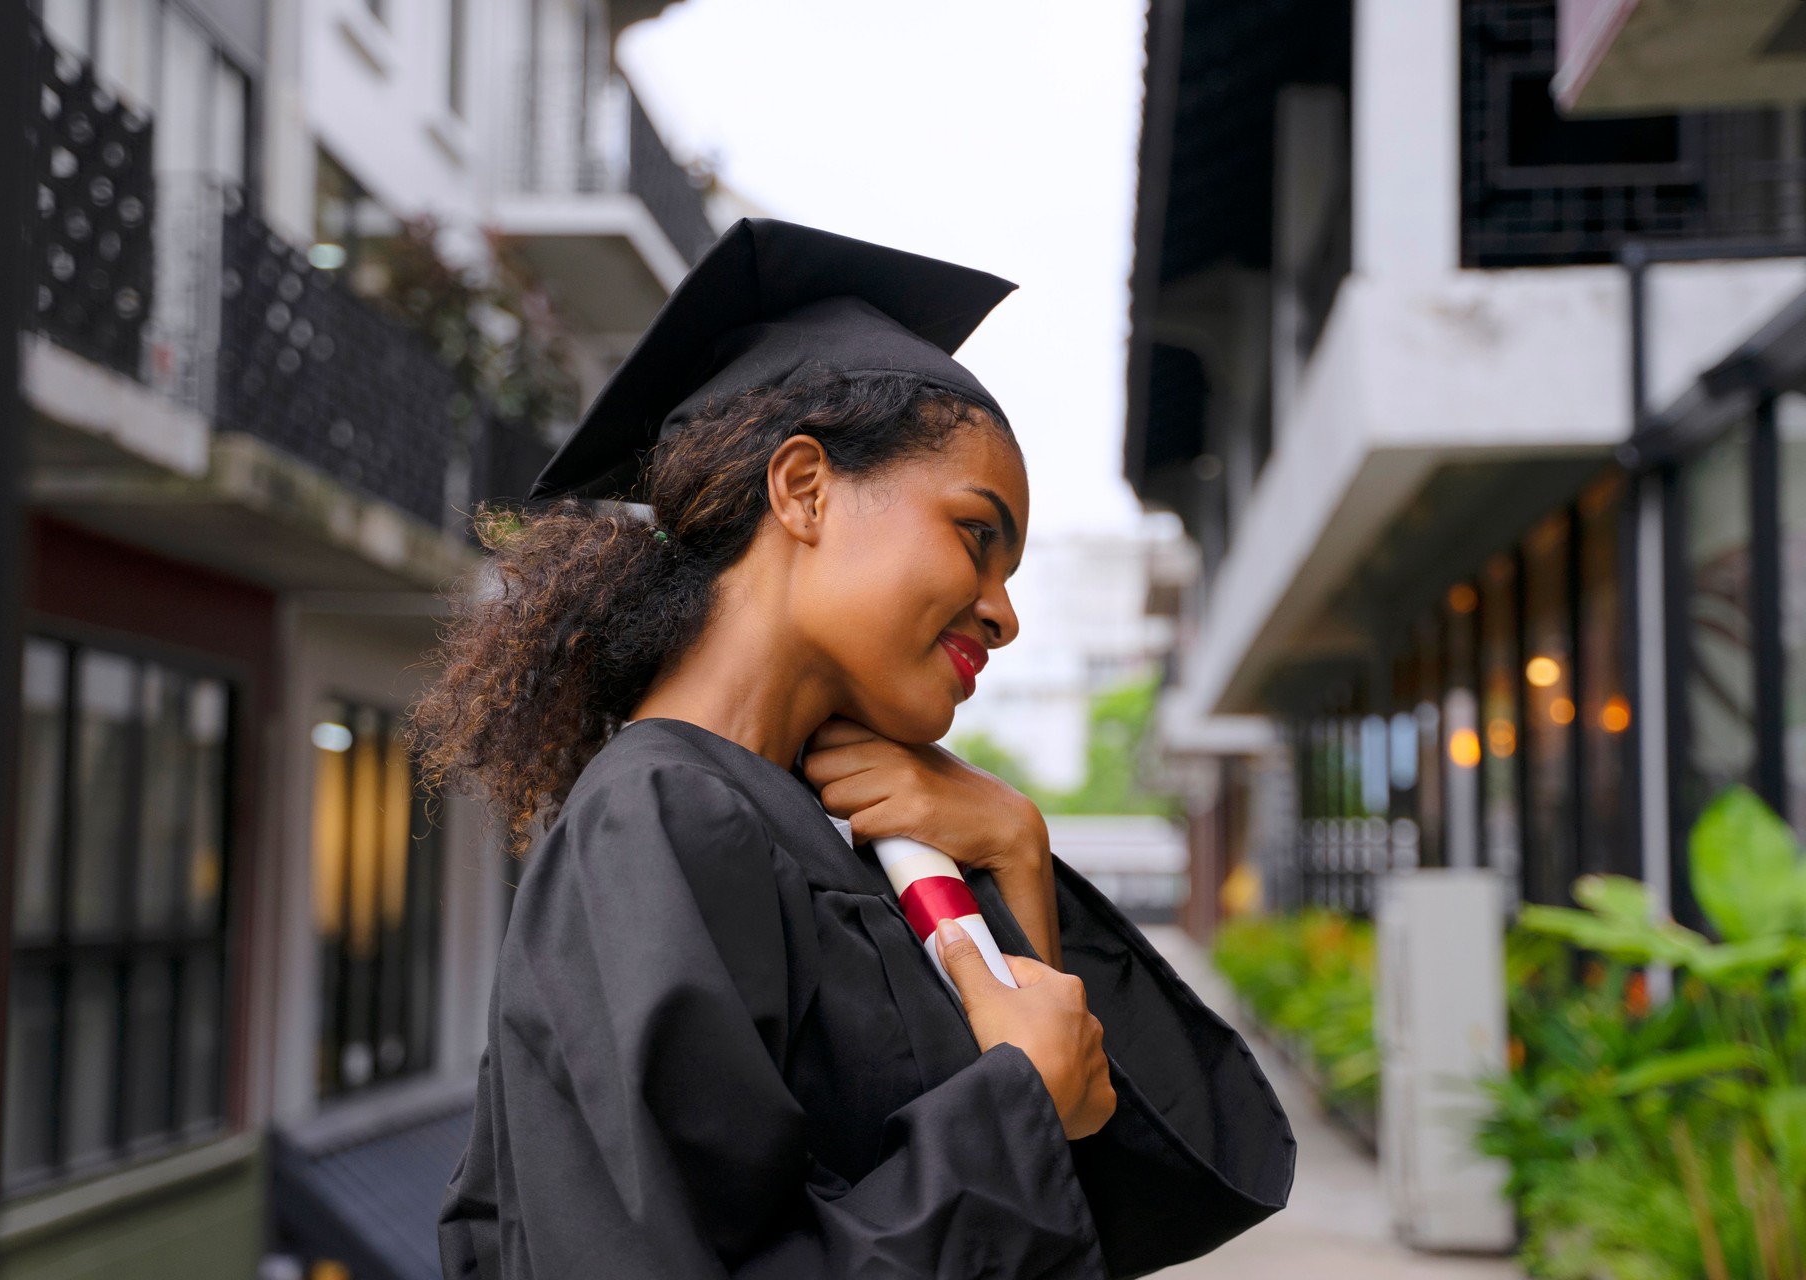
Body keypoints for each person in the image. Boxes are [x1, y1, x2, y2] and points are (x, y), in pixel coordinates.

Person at [421, 219, 1294, 1279]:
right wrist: (1014, 1102)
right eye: (978, 535)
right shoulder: (659, 817)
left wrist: (1016, 855)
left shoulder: (841, 837)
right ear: (803, 488)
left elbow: (1085, 1205)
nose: (1004, 613)